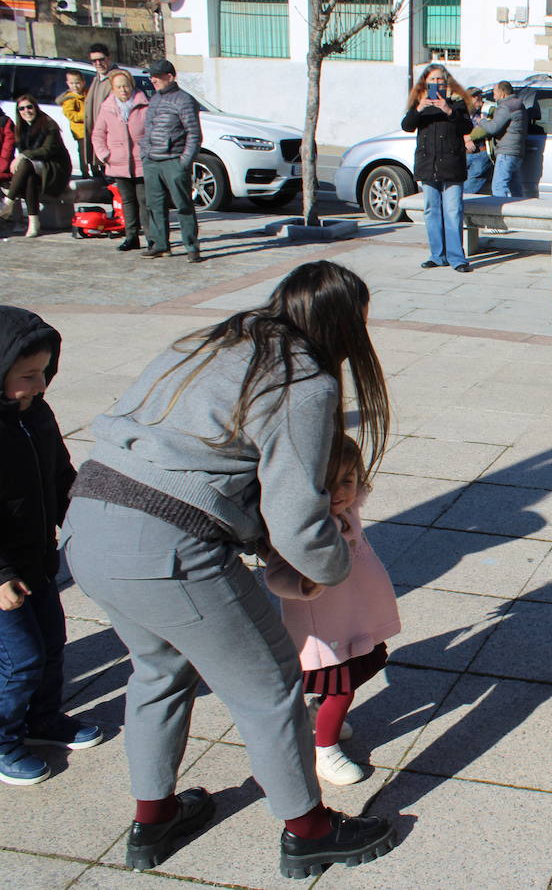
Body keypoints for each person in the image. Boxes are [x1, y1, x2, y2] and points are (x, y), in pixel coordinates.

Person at [61, 262, 397, 876]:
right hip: (167, 545)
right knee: (269, 686)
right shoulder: (303, 377)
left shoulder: (213, 340)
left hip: (88, 522)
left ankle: (154, 819)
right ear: (347, 326)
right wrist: (332, 566)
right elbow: (297, 513)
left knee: (158, 673)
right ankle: (310, 831)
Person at [0, 307, 104, 787]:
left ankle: (43, 720)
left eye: (44, 372)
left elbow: (62, 476)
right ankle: (3, 739)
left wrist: (86, 519)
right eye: (26, 375)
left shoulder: (36, 413)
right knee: (19, 660)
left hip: (39, 559)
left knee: (52, 645)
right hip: (4, 573)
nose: (39, 384)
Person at [265, 435, 399, 788]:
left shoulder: (348, 508)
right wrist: (305, 585)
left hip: (354, 614)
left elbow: (357, 488)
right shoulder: (305, 528)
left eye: (347, 480)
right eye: (326, 483)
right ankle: (324, 749)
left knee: (364, 665)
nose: (339, 492)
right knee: (342, 687)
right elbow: (277, 574)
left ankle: (321, 712)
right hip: (324, 625)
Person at [402, 64, 475, 272]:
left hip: (451, 164)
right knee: (431, 210)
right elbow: (407, 126)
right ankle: (437, 255)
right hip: (428, 164)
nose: (436, 84)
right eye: (432, 80)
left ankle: (457, 258)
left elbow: (467, 127)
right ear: (425, 82)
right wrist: (419, 108)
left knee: (453, 211)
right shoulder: (419, 104)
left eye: (439, 80)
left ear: (447, 82)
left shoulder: (457, 104)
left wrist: (448, 110)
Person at [141, 59, 202, 263]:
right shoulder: (155, 99)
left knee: (183, 205)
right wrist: (145, 154)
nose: (153, 80)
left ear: (170, 76)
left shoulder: (184, 100)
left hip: (173, 161)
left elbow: (193, 134)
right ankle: (160, 245)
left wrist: (183, 162)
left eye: (157, 76)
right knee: (154, 205)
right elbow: (148, 129)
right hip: (152, 161)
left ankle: (191, 247)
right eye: (151, 76)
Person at [91, 69, 150, 252]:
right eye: (118, 87)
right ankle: (131, 237)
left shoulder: (144, 104)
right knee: (127, 201)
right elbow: (98, 133)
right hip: (118, 162)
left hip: (140, 162)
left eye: (125, 86)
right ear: (113, 89)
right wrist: (104, 154)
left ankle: (152, 238)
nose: (123, 90)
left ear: (131, 85)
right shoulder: (107, 107)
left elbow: (153, 131)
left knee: (144, 200)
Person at [0, 95, 72, 238]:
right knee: (29, 178)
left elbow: (47, 151)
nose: (26, 111)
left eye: (29, 107)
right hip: (34, 167)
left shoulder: (48, 124)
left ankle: (7, 203)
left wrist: (22, 155)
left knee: (26, 163)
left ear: (35, 107)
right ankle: (34, 223)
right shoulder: (21, 127)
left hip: (54, 167)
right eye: (22, 108)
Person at [466, 80, 526, 198]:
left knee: (499, 186)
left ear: (502, 93)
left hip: (506, 152)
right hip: (516, 151)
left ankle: (501, 212)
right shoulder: (518, 104)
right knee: (515, 187)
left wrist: (481, 121)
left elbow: (493, 128)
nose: (493, 96)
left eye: (495, 92)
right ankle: (518, 211)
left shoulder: (505, 107)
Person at [83, 43, 119, 179]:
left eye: (101, 59)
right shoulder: (96, 79)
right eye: (94, 61)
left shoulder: (116, 78)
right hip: (97, 138)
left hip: (111, 140)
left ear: (108, 58)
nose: (98, 63)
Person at [57, 71, 88, 178]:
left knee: (92, 151)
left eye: (78, 83)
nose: (75, 86)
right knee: (83, 152)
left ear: (83, 82)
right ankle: (85, 172)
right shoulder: (69, 98)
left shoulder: (86, 93)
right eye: (72, 83)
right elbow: (70, 114)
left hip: (91, 129)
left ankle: (96, 170)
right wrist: (85, 115)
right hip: (80, 131)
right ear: (67, 83)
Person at [463, 89, 494, 195]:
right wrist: (464, 140)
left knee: (471, 184)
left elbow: (487, 128)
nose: (478, 98)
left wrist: (470, 138)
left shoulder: (487, 110)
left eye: (479, 96)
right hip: (465, 153)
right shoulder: (463, 113)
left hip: (481, 153)